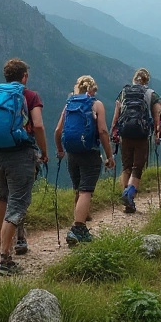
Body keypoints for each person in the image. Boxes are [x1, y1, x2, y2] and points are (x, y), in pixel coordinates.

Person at [0, 58, 49, 276]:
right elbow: (37, 125)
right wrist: (44, 152)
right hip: (20, 154)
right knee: (17, 203)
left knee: (1, 196)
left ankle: (4, 242)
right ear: (24, 77)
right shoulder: (30, 95)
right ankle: (5, 257)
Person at [54, 75, 116, 245]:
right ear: (92, 89)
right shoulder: (96, 104)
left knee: (78, 189)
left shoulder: (69, 104)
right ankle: (78, 228)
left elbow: (58, 130)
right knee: (86, 191)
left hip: (72, 153)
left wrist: (60, 149)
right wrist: (109, 156)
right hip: (90, 153)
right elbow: (103, 131)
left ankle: (79, 220)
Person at [111, 68, 161, 213]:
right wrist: (157, 134)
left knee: (126, 166)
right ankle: (129, 194)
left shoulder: (124, 92)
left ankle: (127, 200)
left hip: (125, 133)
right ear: (147, 80)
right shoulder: (151, 94)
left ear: (134, 79)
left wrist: (113, 131)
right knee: (137, 167)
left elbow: (116, 115)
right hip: (142, 135)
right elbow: (157, 117)